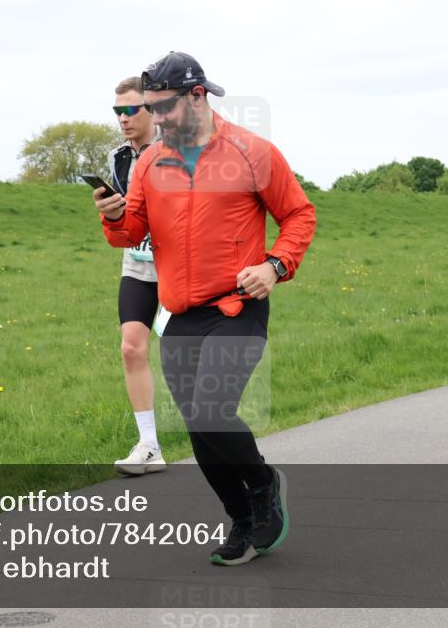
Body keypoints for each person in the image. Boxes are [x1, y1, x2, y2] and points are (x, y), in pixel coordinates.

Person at [92, 52, 316, 565]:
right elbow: (131, 233)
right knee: (198, 430)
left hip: (237, 305)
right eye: (148, 108)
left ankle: (263, 486)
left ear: (198, 96)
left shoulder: (251, 151)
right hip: (180, 312)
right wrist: (112, 215)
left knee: (214, 413)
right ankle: (241, 519)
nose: (156, 119)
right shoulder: (151, 161)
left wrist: (276, 266)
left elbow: (299, 215)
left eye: (163, 107)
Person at [108, 76, 167, 476]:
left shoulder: (174, 150)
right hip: (138, 264)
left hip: (179, 265)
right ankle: (149, 445)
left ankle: (220, 437)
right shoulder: (118, 157)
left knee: (187, 353)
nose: (124, 118)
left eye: (131, 110)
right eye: (118, 112)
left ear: (152, 111)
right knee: (132, 347)